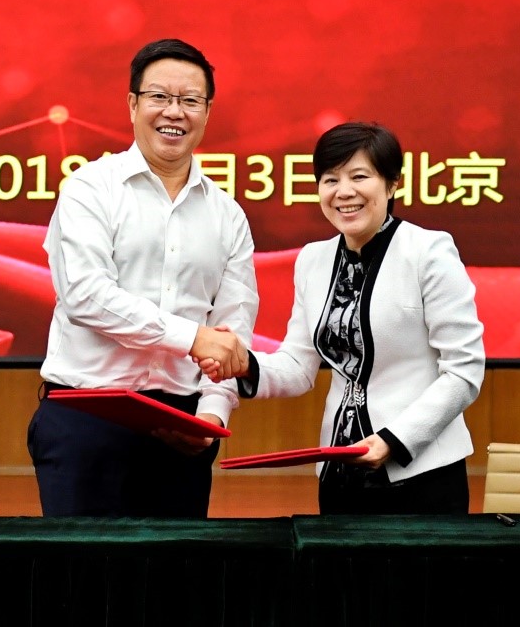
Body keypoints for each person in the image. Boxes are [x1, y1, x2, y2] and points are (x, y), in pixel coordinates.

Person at [200, 122, 484, 515]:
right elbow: (298, 366)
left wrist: (393, 440)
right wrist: (244, 364)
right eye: (330, 179)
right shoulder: (313, 260)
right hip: (339, 472)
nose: (343, 191)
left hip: (421, 474)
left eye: (359, 177)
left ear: (392, 184)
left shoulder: (429, 252)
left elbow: (464, 371)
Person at [27, 37, 257, 518]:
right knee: (80, 565)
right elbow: (85, 296)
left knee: (172, 567)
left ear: (207, 112)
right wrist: (192, 338)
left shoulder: (227, 215)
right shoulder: (90, 188)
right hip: (86, 419)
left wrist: (211, 416)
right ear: (133, 104)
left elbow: (231, 330)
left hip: (181, 430)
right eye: (159, 97)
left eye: (190, 100)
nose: (174, 112)